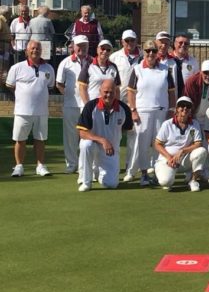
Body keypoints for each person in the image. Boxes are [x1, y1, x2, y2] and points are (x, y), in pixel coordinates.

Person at [126, 40, 176, 186]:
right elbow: (130, 92)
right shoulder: (137, 69)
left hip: (161, 112)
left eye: (153, 51)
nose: (151, 54)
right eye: (148, 51)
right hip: (142, 112)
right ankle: (143, 174)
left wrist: (172, 110)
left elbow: (171, 92)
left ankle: (156, 172)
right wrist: (133, 110)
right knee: (142, 144)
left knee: (159, 144)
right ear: (143, 52)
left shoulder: (166, 70)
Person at [6, 40, 55, 177]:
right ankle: (19, 166)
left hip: (42, 111)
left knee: (40, 139)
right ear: (27, 51)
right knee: (20, 139)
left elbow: (49, 86)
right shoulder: (17, 68)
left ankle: (40, 166)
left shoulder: (49, 68)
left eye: (38, 48)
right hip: (22, 111)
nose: (35, 50)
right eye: (32, 48)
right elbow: (10, 85)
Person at [76, 79, 132, 191]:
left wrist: (113, 141)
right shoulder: (90, 106)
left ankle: (98, 172)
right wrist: (103, 140)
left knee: (111, 184)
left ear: (116, 92)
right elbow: (82, 133)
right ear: (100, 91)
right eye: (106, 91)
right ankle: (86, 181)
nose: (108, 95)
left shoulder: (124, 109)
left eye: (111, 92)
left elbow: (126, 129)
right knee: (86, 144)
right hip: (94, 146)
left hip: (111, 152)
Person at [154, 96, 207, 191]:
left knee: (201, 151)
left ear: (191, 110)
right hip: (167, 159)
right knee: (165, 182)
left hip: (184, 159)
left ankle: (193, 180)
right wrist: (169, 157)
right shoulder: (167, 124)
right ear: (177, 109)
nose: (185, 108)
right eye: (182, 105)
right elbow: (157, 144)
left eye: (188, 106)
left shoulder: (195, 124)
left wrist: (182, 151)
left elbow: (198, 143)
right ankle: (163, 171)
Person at [55, 35, 91, 173]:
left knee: (86, 135)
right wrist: (68, 95)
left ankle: (84, 164)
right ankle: (71, 164)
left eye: (84, 45)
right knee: (70, 136)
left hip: (87, 105)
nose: (82, 47)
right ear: (74, 46)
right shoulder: (65, 62)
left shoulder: (93, 62)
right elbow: (59, 84)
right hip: (70, 105)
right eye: (79, 45)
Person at [109, 30, 141, 102]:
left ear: (136, 41)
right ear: (122, 42)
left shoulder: (143, 57)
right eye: (127, 40)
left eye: (132, 40)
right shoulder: (114, 57)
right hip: (120, 99)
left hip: (138, 99)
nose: (129, 43)